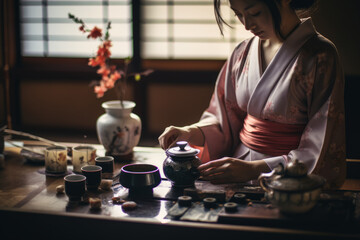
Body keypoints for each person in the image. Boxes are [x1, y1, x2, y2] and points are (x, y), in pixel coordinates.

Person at [158, 0, 346, 189]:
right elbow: (224, 121)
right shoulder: (242, 53)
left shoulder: (320, 56)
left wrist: (254, 169)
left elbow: (321, 144)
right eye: (238, 15)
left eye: (254, 13)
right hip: (234, 170)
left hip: (287, 181)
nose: (247, 25)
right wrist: (192, 132)